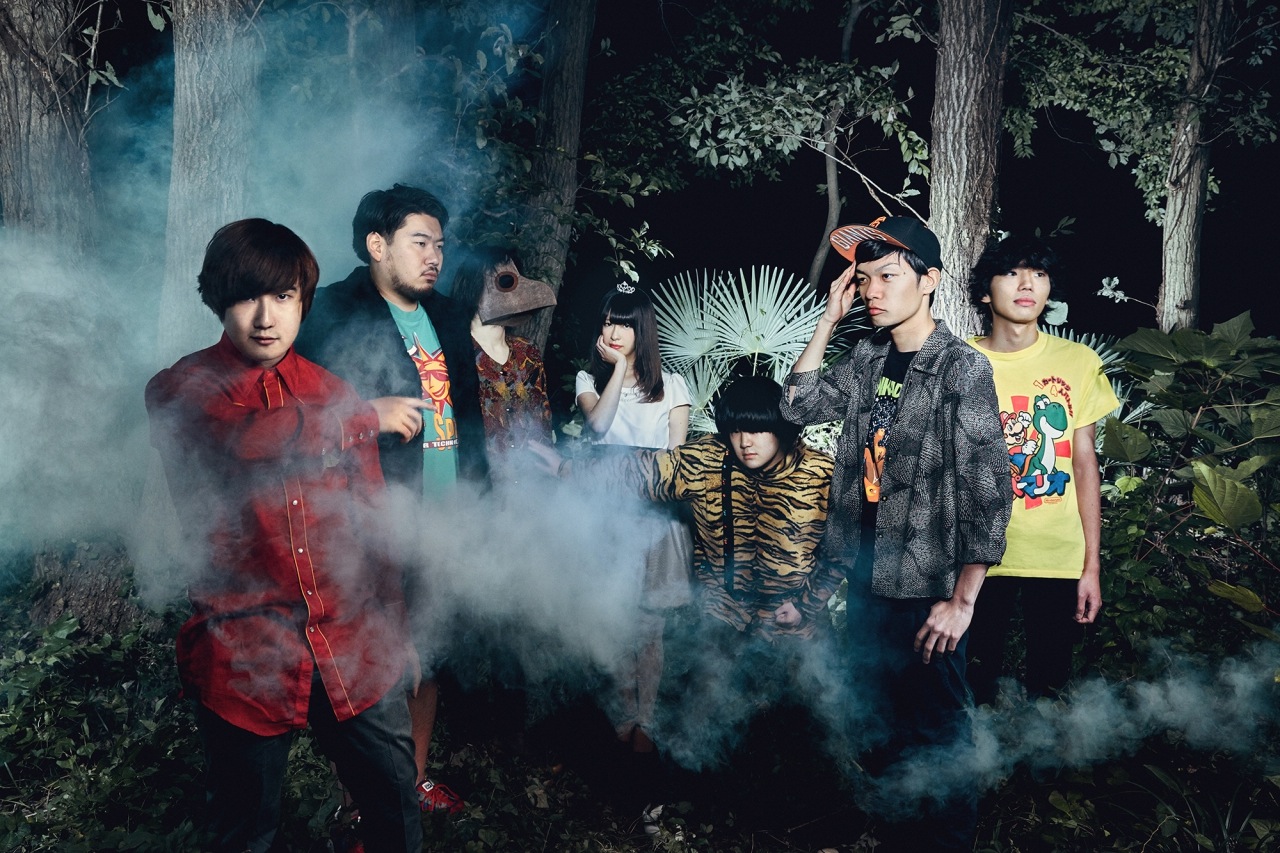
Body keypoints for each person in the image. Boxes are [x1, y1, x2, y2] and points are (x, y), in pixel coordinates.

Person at [145, 219, 427, 852]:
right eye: (248, 296)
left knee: (395, 807)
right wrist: (358, 419)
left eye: (284, 296)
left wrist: (397, 629)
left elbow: (375, 523)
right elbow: (243, 438)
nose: (266, 317)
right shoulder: (182, 388)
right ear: (219, 300)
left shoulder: (332, 391)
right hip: (246, 644)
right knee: (244, 830)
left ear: (303, 301)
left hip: (351, 637)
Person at [780, 216, 1010, 851]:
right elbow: (797, 406)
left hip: (928, 585)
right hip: (864, 576)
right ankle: (895, 834)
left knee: (939, 729)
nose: (872, 290)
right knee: (878, 721)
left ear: (929, 281)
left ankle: (948, 843)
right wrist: (828, 321)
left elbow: (991, 490)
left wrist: (962, 601)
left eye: (888, 275)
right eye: (864, 279)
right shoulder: (867, 356)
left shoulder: (961, 368)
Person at [295, 184, 488, 815]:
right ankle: (362, 802)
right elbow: (296, 416)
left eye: (440, 245)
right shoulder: (330, 312)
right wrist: (362, 414)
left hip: (445, 516)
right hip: (370, 520)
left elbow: (470, 421)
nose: (435, 257)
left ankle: (413, 781)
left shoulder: (450, 317)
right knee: (371, 661)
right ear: (377, 245)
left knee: (429, 650)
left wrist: (481, 500)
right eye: (420, 242)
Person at [964, 234, 1119, 704]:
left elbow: (1085, 464)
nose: (1027, 283)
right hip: (973, 555)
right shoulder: (956, 361)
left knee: (1049, 691)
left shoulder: (1078, 362)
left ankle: (1044, 754)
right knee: (971, 688)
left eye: (1039, 273)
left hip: (1057, 554)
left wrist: (1091, 566)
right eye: (1011, 272)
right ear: (985, 292)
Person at [574, 284, 693, 755]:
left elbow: (676, 461)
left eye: (624, 323)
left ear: (642, 328)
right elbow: (599, 426)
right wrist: (619, 370)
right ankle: (623, 718)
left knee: (649, 626)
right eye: (607, 322)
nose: (613, 331)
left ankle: (647, 720)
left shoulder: (673, 386)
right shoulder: (588, 380)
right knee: (615, 620)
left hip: (656, 514)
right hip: (607, 514)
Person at [447, 246, 557, 483]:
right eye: (504, 282)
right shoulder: (454, 352)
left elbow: (542, 418)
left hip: (530, 484)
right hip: (477, 485)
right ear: (473, 285)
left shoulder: (527, 352)